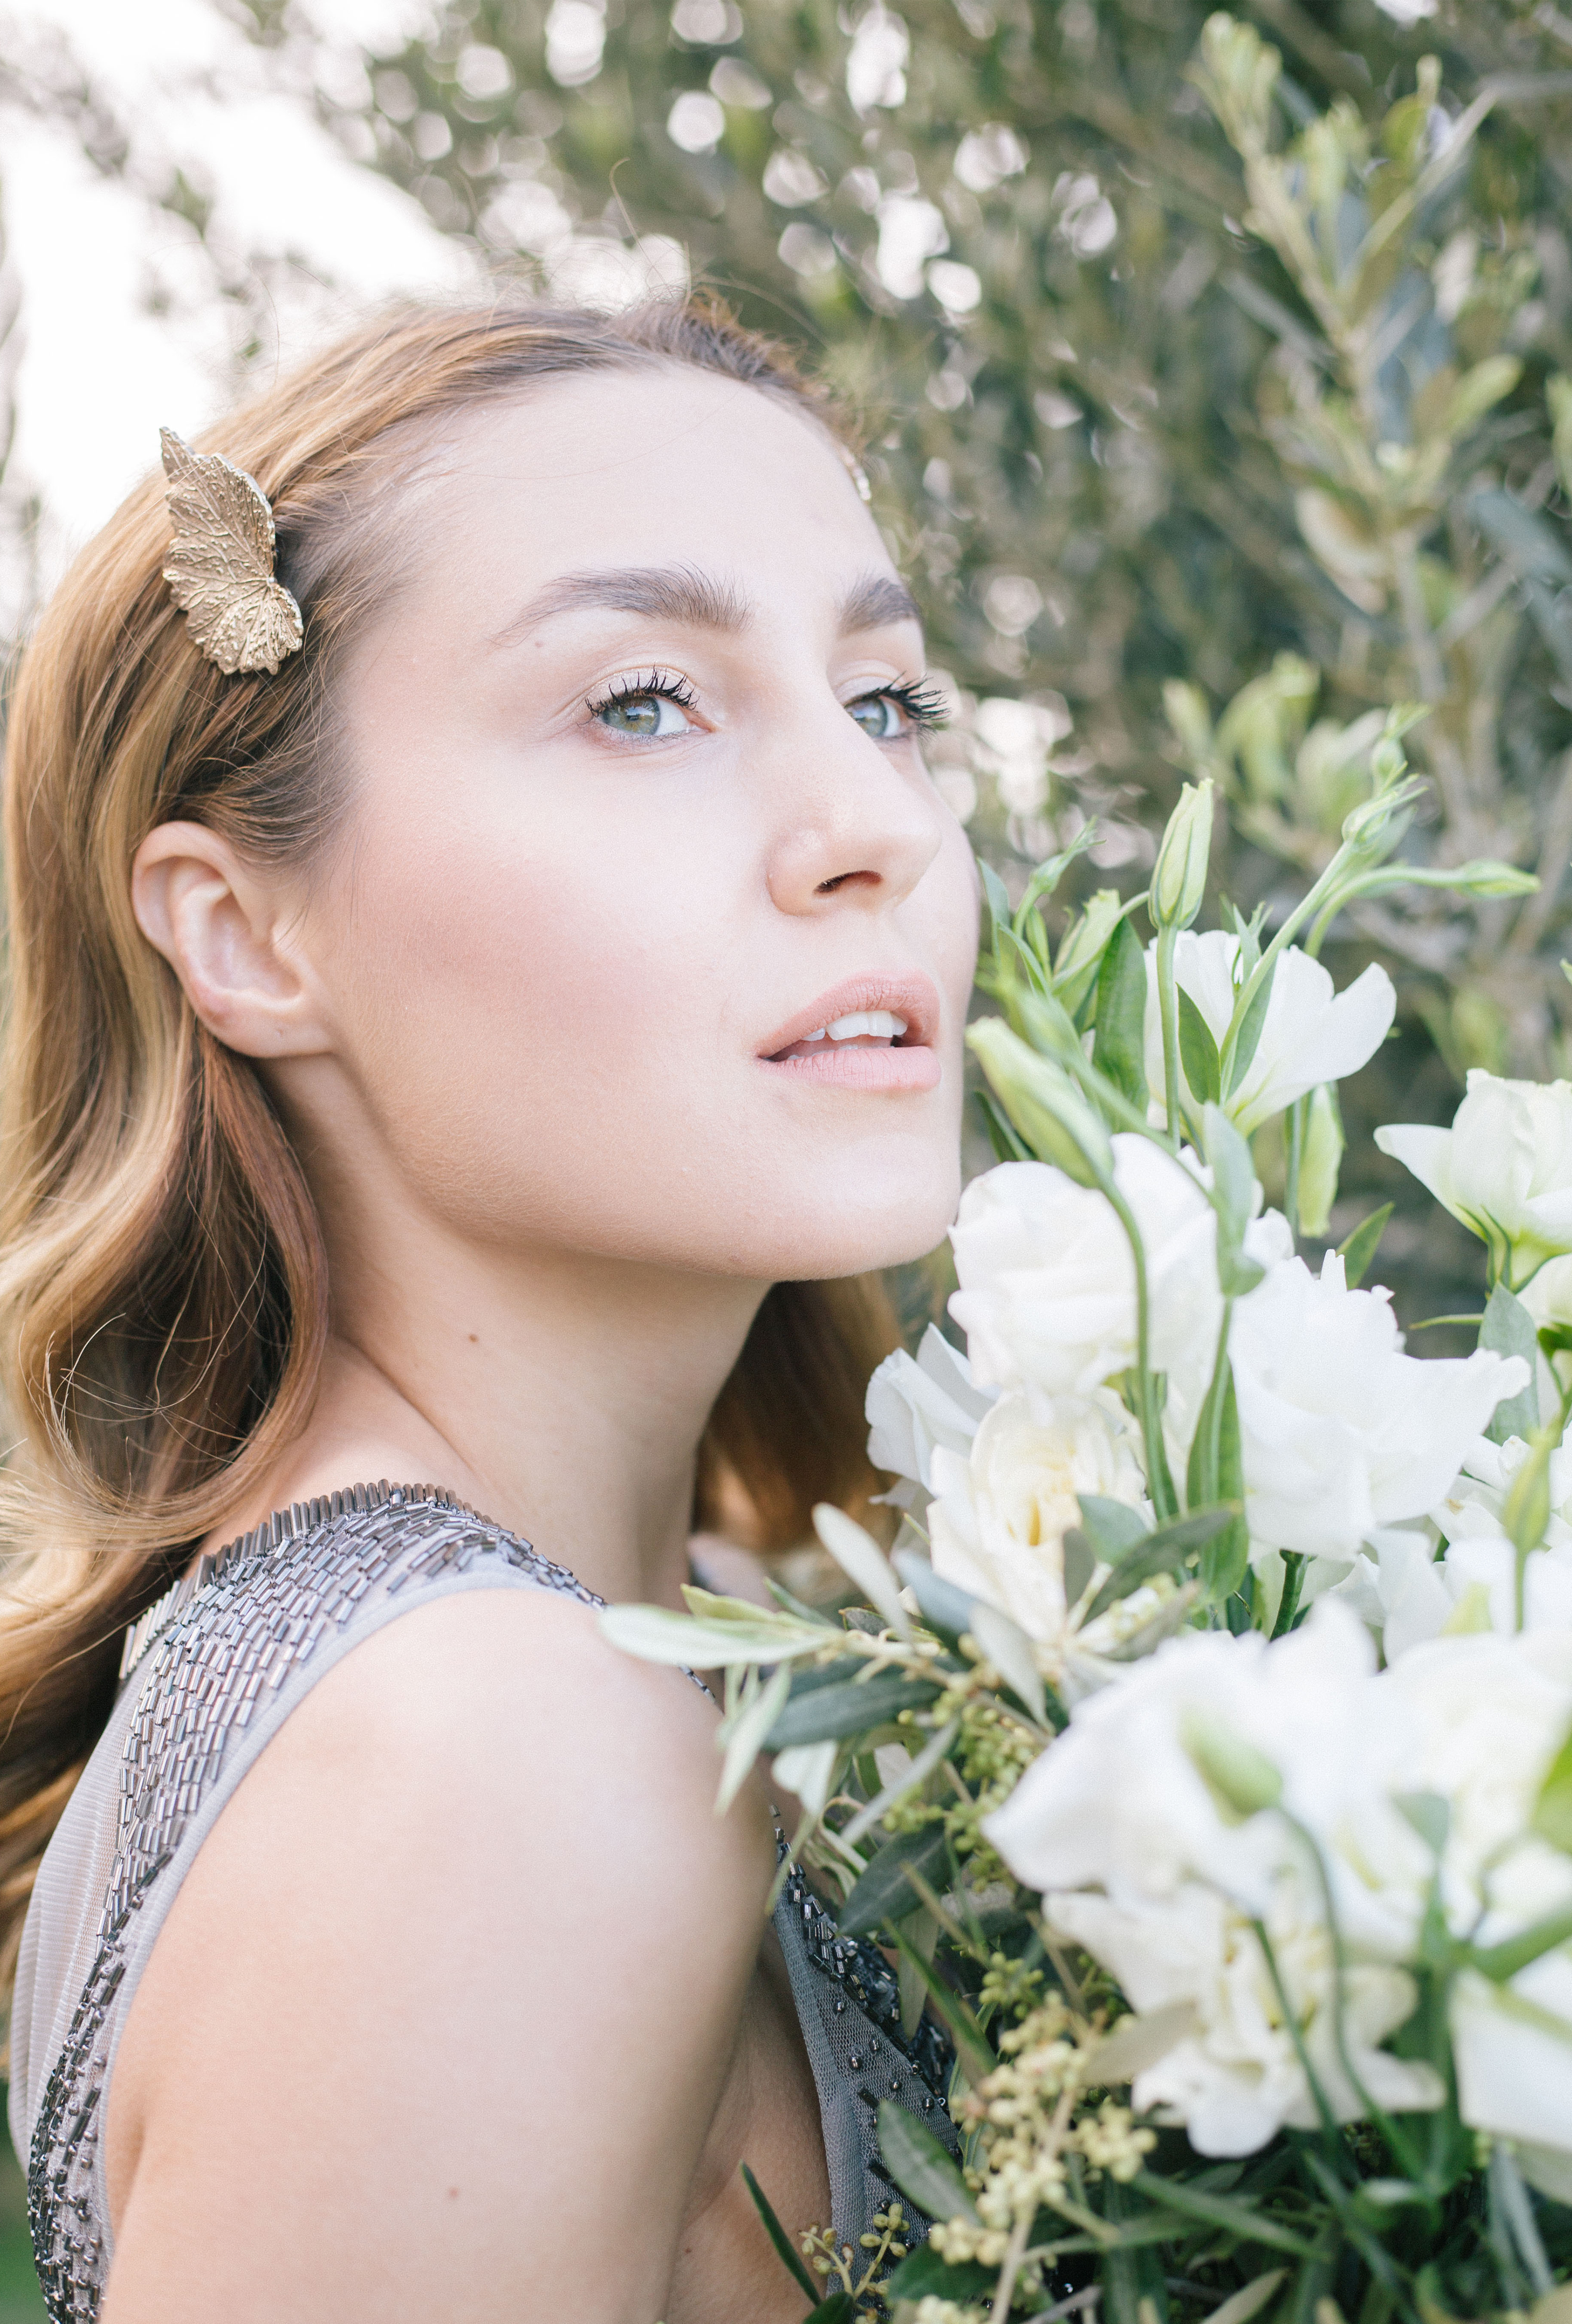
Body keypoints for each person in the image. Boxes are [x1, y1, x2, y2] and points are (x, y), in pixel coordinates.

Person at [0, 297, 977, 2322]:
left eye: (884, 698)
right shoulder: (488, 1756)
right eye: (643, 703)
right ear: (248, 935)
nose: (875, 828)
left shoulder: (689, 1627)